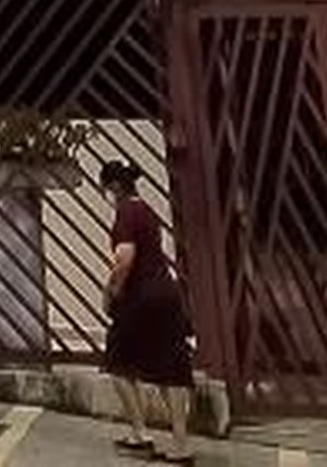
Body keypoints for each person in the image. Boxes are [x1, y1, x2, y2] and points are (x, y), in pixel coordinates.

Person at [98, 157, 197, 464]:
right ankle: (181, 445)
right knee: (171, 368)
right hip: (166, 295)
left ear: (114, 186)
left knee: (118, 363)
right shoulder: (147, 211)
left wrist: (111, 292)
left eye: (105, 187)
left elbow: (125, 258)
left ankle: (141, 434)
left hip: (140, 299)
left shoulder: (125, 213)